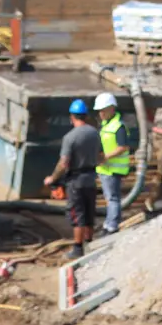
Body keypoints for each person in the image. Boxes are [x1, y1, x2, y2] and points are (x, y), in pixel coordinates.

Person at [43, 99, 103, 259]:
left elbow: (64, 163)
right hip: (91, 178)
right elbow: (100, 157)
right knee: (90, 214)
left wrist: (52, 178)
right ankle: (90, 245)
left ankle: (77, 249)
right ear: (86, 116)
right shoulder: (94, 133)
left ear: (72, 117)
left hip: (76, 181)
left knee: (78, 216)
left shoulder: (70, 137)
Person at [93, 92, 132, 235]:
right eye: (99, 111)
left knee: (112, 198)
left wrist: (106, 157)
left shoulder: (118, 126)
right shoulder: (106, 125)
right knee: (110, 198)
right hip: (105, 168)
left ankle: (112, 226)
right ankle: (110, 221)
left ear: (111, 108)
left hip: (113, 169)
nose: (100, 113)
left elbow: (123, 147)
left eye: (103, 110)